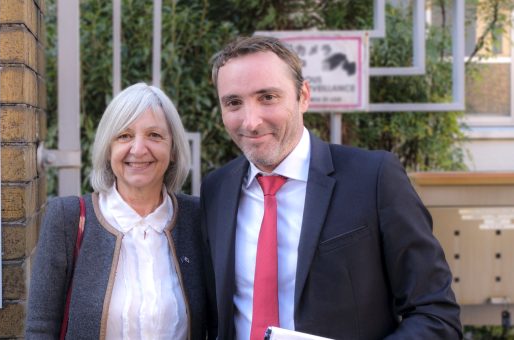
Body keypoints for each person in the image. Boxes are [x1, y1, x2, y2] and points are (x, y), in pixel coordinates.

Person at [201, 35, 461, 339]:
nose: (251, 122)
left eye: (268, 97)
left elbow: (436, 314)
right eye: (234, 103)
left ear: (303, 96)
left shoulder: (373, 178)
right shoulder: (216, 190)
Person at [26, 83, 216, 339]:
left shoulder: (197, 218)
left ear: (173, 150)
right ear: (108, 149)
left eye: (154, 135)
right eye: (124, 136)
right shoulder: (67, 218)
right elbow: (40, 328)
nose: (138, 149)